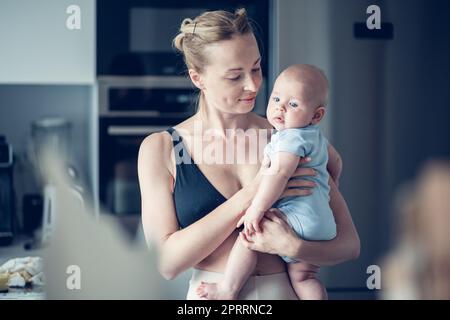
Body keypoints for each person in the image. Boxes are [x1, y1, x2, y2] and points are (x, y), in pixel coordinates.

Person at [138, 8, 360, 300]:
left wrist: (294, 248)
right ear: (198, 78)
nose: (253, 85)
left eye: (256, 68)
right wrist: (253, 193)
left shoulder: (287, 138)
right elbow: (166, 264)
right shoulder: (161, 149)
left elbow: (349, 244)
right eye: (234, 76)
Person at [197, 64, 336, 300]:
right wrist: (333, 186)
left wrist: (256, 209)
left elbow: (279, 173)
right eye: (276, 98)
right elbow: (337, 163)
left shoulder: (290, 139)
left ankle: (226, 290)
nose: (280, 107)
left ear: (317, 115)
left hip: (297, 221)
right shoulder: (315, 137)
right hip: (320, 223)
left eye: (292, 104)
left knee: (248, 239)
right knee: (305, 277)